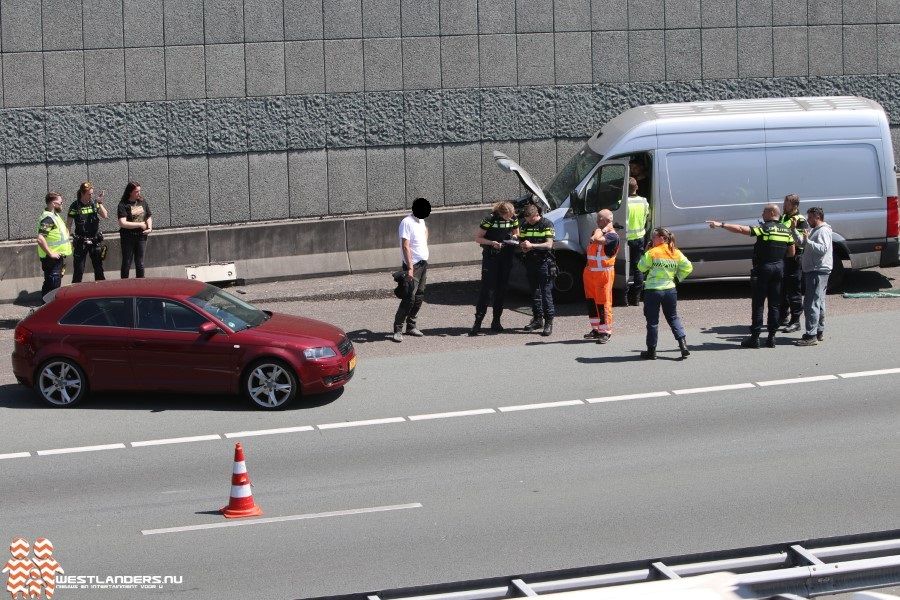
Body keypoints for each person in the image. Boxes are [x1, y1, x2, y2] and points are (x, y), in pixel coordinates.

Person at [707, 204, 795, 348]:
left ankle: (754, 338)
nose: (762, 214)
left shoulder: (765, 228)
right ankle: (771, 337)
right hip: (779, 268)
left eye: (764, 212)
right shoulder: (786, 231)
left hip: (764, 268)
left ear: (772, 212)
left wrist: (721, 224)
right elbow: (791, 252)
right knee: (774, 304)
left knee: (758, 303)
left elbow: (742, 229)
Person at [637, 227, 693, 360]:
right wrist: (677, 278)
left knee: (652, 322)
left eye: (654, 237)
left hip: (653, 291)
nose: (652, 240)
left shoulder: (653, 252)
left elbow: (641, 267)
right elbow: (688, 267)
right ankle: (683, 346)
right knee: (673, 318)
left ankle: (651, 351)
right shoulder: (675, 252)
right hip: (670, 290)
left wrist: (647, 251)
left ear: (662, 238)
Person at [469, 201, 519, 335]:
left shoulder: (513, 218)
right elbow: (478, 238)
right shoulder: (489, 219)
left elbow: (516, 233)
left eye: (511, 215)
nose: (510, 218)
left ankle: (496, 321)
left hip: (506, 256)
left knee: (501, 290)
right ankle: (477, 322)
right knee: (487, 290)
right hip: (491, 257)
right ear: (501, 213)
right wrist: (491, 243)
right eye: (507, 216)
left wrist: (514, 237)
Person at [393, 197, 431, 342]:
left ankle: (411, 325)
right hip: (413, 266)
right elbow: (405, 245)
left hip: (423, 264)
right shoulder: (406, 222)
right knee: (409, 298)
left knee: (419, 295)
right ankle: (397, 329)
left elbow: (425, 232)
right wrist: (409, 267)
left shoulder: (421, 221)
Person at [794, 207, 832, 346]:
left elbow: (822, 249)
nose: (808, 220)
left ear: (817, 217)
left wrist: (808, 241)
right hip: (815, 270)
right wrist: (793, 230)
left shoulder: (823, 231)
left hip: (817, 270)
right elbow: (802, 243)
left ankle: (811, 335)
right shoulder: (815, 230)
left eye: (810, 218)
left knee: (811, 303)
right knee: (818, 302)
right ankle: (818, 331)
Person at [518, 203, 556, 336]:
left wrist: (532, 245)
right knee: (534, 292)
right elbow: (522, 241)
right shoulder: (524, 225)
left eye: (530, 219)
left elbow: (549, 245)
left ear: (536, 215)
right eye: (526, 219)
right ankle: (537, 319)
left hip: (544, 262)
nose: (528, 221)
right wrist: (522, 246)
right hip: (530, 262)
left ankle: (549, 322)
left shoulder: (547, 224)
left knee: (546, 293)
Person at [583, 209, 619, 344]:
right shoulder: (599, 231)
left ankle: (605, 331)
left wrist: (601, 231)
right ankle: (596, 329)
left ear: (608, 221)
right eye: (597, 219)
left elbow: (597, 240)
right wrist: (600, 230)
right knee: (592, 301)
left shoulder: (612, 236)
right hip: (591, 272)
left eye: (600, 219)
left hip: (603, 273)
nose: (597, 222)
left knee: (604, 302)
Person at [66, 181, 108, 283]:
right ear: (82, 193)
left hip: (95, 240)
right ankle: (75, 291)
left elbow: (105, 215)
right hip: (81, 241)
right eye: (89, 194)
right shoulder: (75, 206)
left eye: (92, 193)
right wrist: (66, 239)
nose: (91, 196)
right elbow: (68, 224)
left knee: (99, 269)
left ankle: (101, 291)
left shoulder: (94, 203)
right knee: (79, 269)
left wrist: (100, 203)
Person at [778, 193, 809, 332]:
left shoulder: (800, 219)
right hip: (784, 258)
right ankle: (783, 316)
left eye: (787, 203)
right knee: (782, 289)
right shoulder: (784, 216)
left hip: (794, 258)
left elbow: (800, 242)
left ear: (795, 205)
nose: (784, 205)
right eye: (784, 203)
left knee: (793, 291)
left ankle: (796, 321)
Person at [36, 192, 73, 301]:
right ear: (53, 203)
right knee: (53, 287)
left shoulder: (54, 215)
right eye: (60, 203)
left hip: (56, 257)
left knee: (49, 283)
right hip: (52, 259)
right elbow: (40, 238)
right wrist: (51, 253)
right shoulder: (48, 218)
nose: (62, 205)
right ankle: (49, 309)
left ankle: (44, 306)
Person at [117, 181, 152, 279]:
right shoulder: (123, 204)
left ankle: (141, 285)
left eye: (139, 191)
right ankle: (124, 285)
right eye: (136, 191)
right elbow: (122, 223)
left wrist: (149, 228)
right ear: (130, 192)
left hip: (141, 236)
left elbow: (148, 215)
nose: (139, 193)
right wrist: (140, 224)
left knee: (140, 262)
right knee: (127, 262)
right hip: (128, 237)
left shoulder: (142, 201)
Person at [625, 176, 650, 306]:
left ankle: (624, 296)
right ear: (637, 187)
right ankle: (637, 297)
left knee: (624, 266)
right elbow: (647, 216)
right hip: (640, 237)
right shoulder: (644, 201)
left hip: (627, 238)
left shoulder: (623, 202)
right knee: (637, 267)